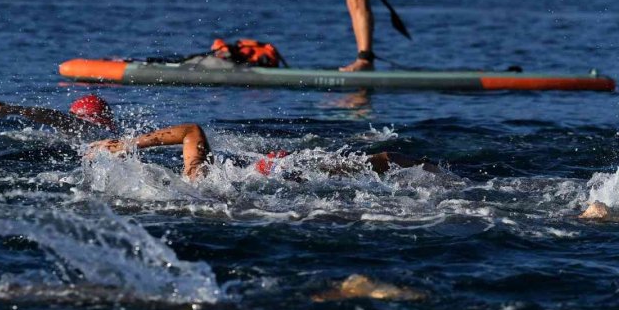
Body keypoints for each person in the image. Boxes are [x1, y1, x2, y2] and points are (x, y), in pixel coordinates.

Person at [89, 123, 436, 180]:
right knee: (384, 160)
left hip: (272, 180)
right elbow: (192, 130)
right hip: (273, 170)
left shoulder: (192, 183)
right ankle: (446, 178)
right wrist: (130, 144)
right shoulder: (197, 175)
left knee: (382, 163)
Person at [0, 94, 117, 134]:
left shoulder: (88, 129)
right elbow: (52, 116)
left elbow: (51, 116)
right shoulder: (93, 129)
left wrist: (7, 109)